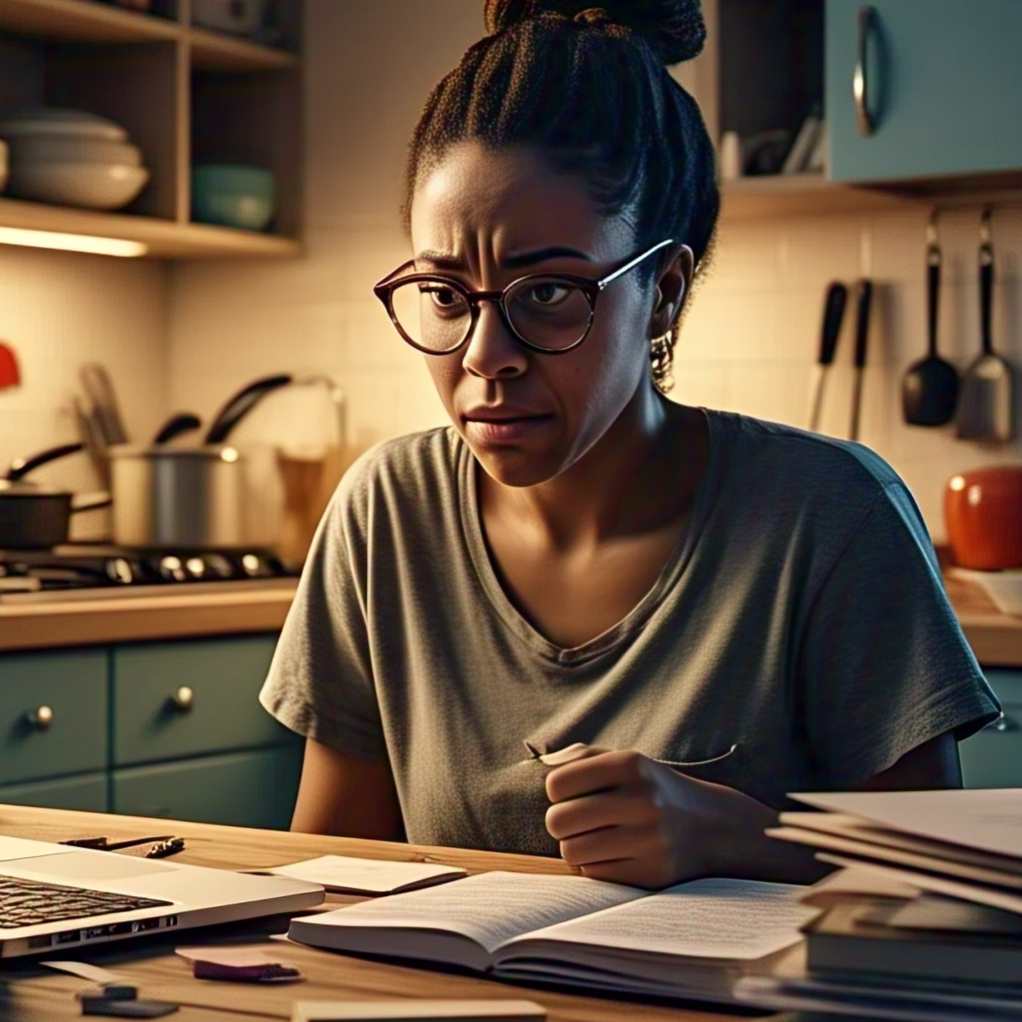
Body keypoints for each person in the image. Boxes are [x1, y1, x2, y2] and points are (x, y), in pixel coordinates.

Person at [260, 0, 999, 888]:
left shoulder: (829, 515)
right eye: (448, 295)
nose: (484, 360)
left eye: (547, 294)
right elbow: (330, 877)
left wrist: (741, 840)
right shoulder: (385, 513)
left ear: (664, 291)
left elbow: (944, 892)